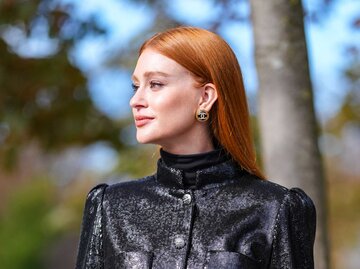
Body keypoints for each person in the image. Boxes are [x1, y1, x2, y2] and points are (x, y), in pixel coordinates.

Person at [75, 26, 316, 269]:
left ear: (205, 97)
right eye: (136, 86)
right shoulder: (111, 206)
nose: (135, 101)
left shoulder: (274, 209)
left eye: (155, 84)